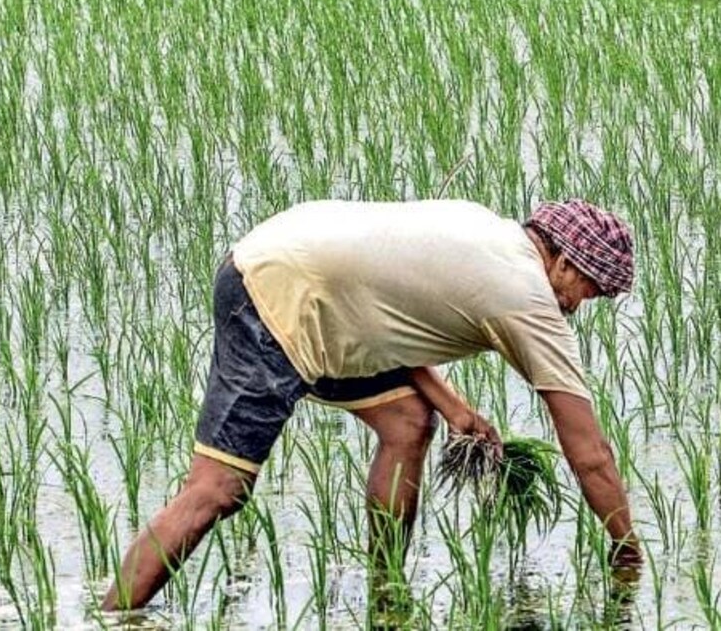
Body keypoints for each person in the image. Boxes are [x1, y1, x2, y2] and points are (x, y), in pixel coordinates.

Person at [102, 198, 643, 610]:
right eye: (591, 289)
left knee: (408, 422)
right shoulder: (525, 296)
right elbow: (588, 451)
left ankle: (386, 591)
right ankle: (116, 614)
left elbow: (379, 306)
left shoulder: (488, 231)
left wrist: (454, 409)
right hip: (274, 293)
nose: (580, 305)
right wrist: (628, 550)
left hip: (304, 275)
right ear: (567, 262)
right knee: (218, 489)